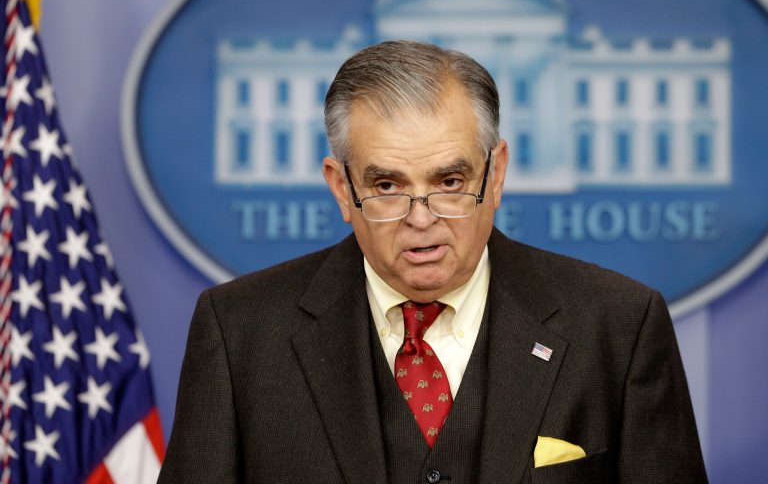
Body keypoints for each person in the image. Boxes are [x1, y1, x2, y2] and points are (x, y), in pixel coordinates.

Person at [158, 40, 707, 483]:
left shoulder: (618, 325)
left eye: (449, 182)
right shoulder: (241, 332)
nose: (420, 218)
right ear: (340, 189)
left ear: (495, 176)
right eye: (387, 185)